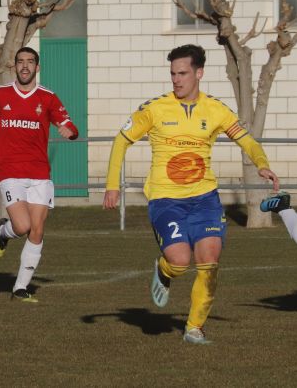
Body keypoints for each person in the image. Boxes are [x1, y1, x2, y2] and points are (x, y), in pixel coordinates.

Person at [103, 44, 279, 344]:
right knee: (180, 262)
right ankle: (164, 270)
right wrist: (112, 185)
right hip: (165, 199)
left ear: (199, 73)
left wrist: (262, 164)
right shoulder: (154, 109)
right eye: (173, 73)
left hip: (205, 199)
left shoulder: (216, 109)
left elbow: (247, 140)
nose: (176, 79)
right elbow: (121, 141)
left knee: (209, 260)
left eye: (182, 73)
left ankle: (194, 328)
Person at [0, 46, 79, 302]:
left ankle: (20, 288)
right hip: (10, 170)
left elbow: (70, 125)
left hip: (40, 172)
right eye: (21, 62)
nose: (25, 66)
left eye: (30, 62)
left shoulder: (48, 98)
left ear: (37, 67)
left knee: (37, 231)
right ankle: (3, 232)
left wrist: (70, 132)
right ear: (14, 66)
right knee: (22, 226)